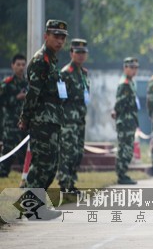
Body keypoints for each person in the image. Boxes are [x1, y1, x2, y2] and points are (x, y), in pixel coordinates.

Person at [18, 20, 68, 191]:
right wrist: (25, 118)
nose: (60, 41)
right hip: (42, 121)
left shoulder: (52, 61)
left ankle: (37, 205)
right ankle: (31, 207)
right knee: (41, 165)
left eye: (63, 37)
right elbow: (32, 94)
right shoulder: (41, 60)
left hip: (53, 121)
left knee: (51, 166)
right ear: (46, 36)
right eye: (56, 36)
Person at [57, 39, 90, 192]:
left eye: (83, 53)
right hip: (68, 121)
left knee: (78, 152)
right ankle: (65, 183)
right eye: (78, 52)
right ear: (71, 53)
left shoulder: (83, 74)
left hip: (80, 119)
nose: (81, 56)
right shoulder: (65, 73)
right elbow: (60, 98)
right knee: (67, 152)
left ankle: (71, 182)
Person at [112, 57, 140, 185]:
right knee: (125, 149)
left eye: (136, 68)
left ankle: (123, 173)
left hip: (130, 120)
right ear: (125, 68)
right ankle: (121, 175)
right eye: (131, 67)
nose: (134, 70)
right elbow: (119, 104)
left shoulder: (131, 82)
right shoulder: (125, 84)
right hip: (125, 121)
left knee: (128, 148)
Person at [0, 54, 28, 178]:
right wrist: (16, 98)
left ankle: (26, 177)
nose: (21, 67)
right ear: (13, 66)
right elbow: (2, 102)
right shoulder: (6, 84)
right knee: (8, 152)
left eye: (23, 64)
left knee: (25, 154)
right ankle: (2, 174)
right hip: (10, 125)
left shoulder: (29, 84)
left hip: (25, 125)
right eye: (18, 65)